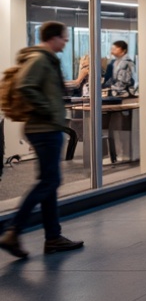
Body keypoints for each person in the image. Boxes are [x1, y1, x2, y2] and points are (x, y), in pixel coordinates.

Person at [0, 22, 84, 258]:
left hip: (47, 127)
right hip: (43, 128)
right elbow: (25, 87)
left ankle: (53, 237)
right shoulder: (39, 59)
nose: (66, 43)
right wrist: (47, 109)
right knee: (48, 182)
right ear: (53, 38)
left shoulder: (45, 59)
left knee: (50, 182)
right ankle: (13, 230)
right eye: (64, 39)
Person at [105, 39, 136, 164]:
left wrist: (111, 88)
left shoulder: (127, 62)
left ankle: (126, 154)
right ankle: (119, 153)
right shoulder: (114, 62)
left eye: (115, 48)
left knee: (123, 127)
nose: (112, 50)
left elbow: (124, 81)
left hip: (124, 96)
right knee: (116, 127)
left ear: (123, 50)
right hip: (116, 95)